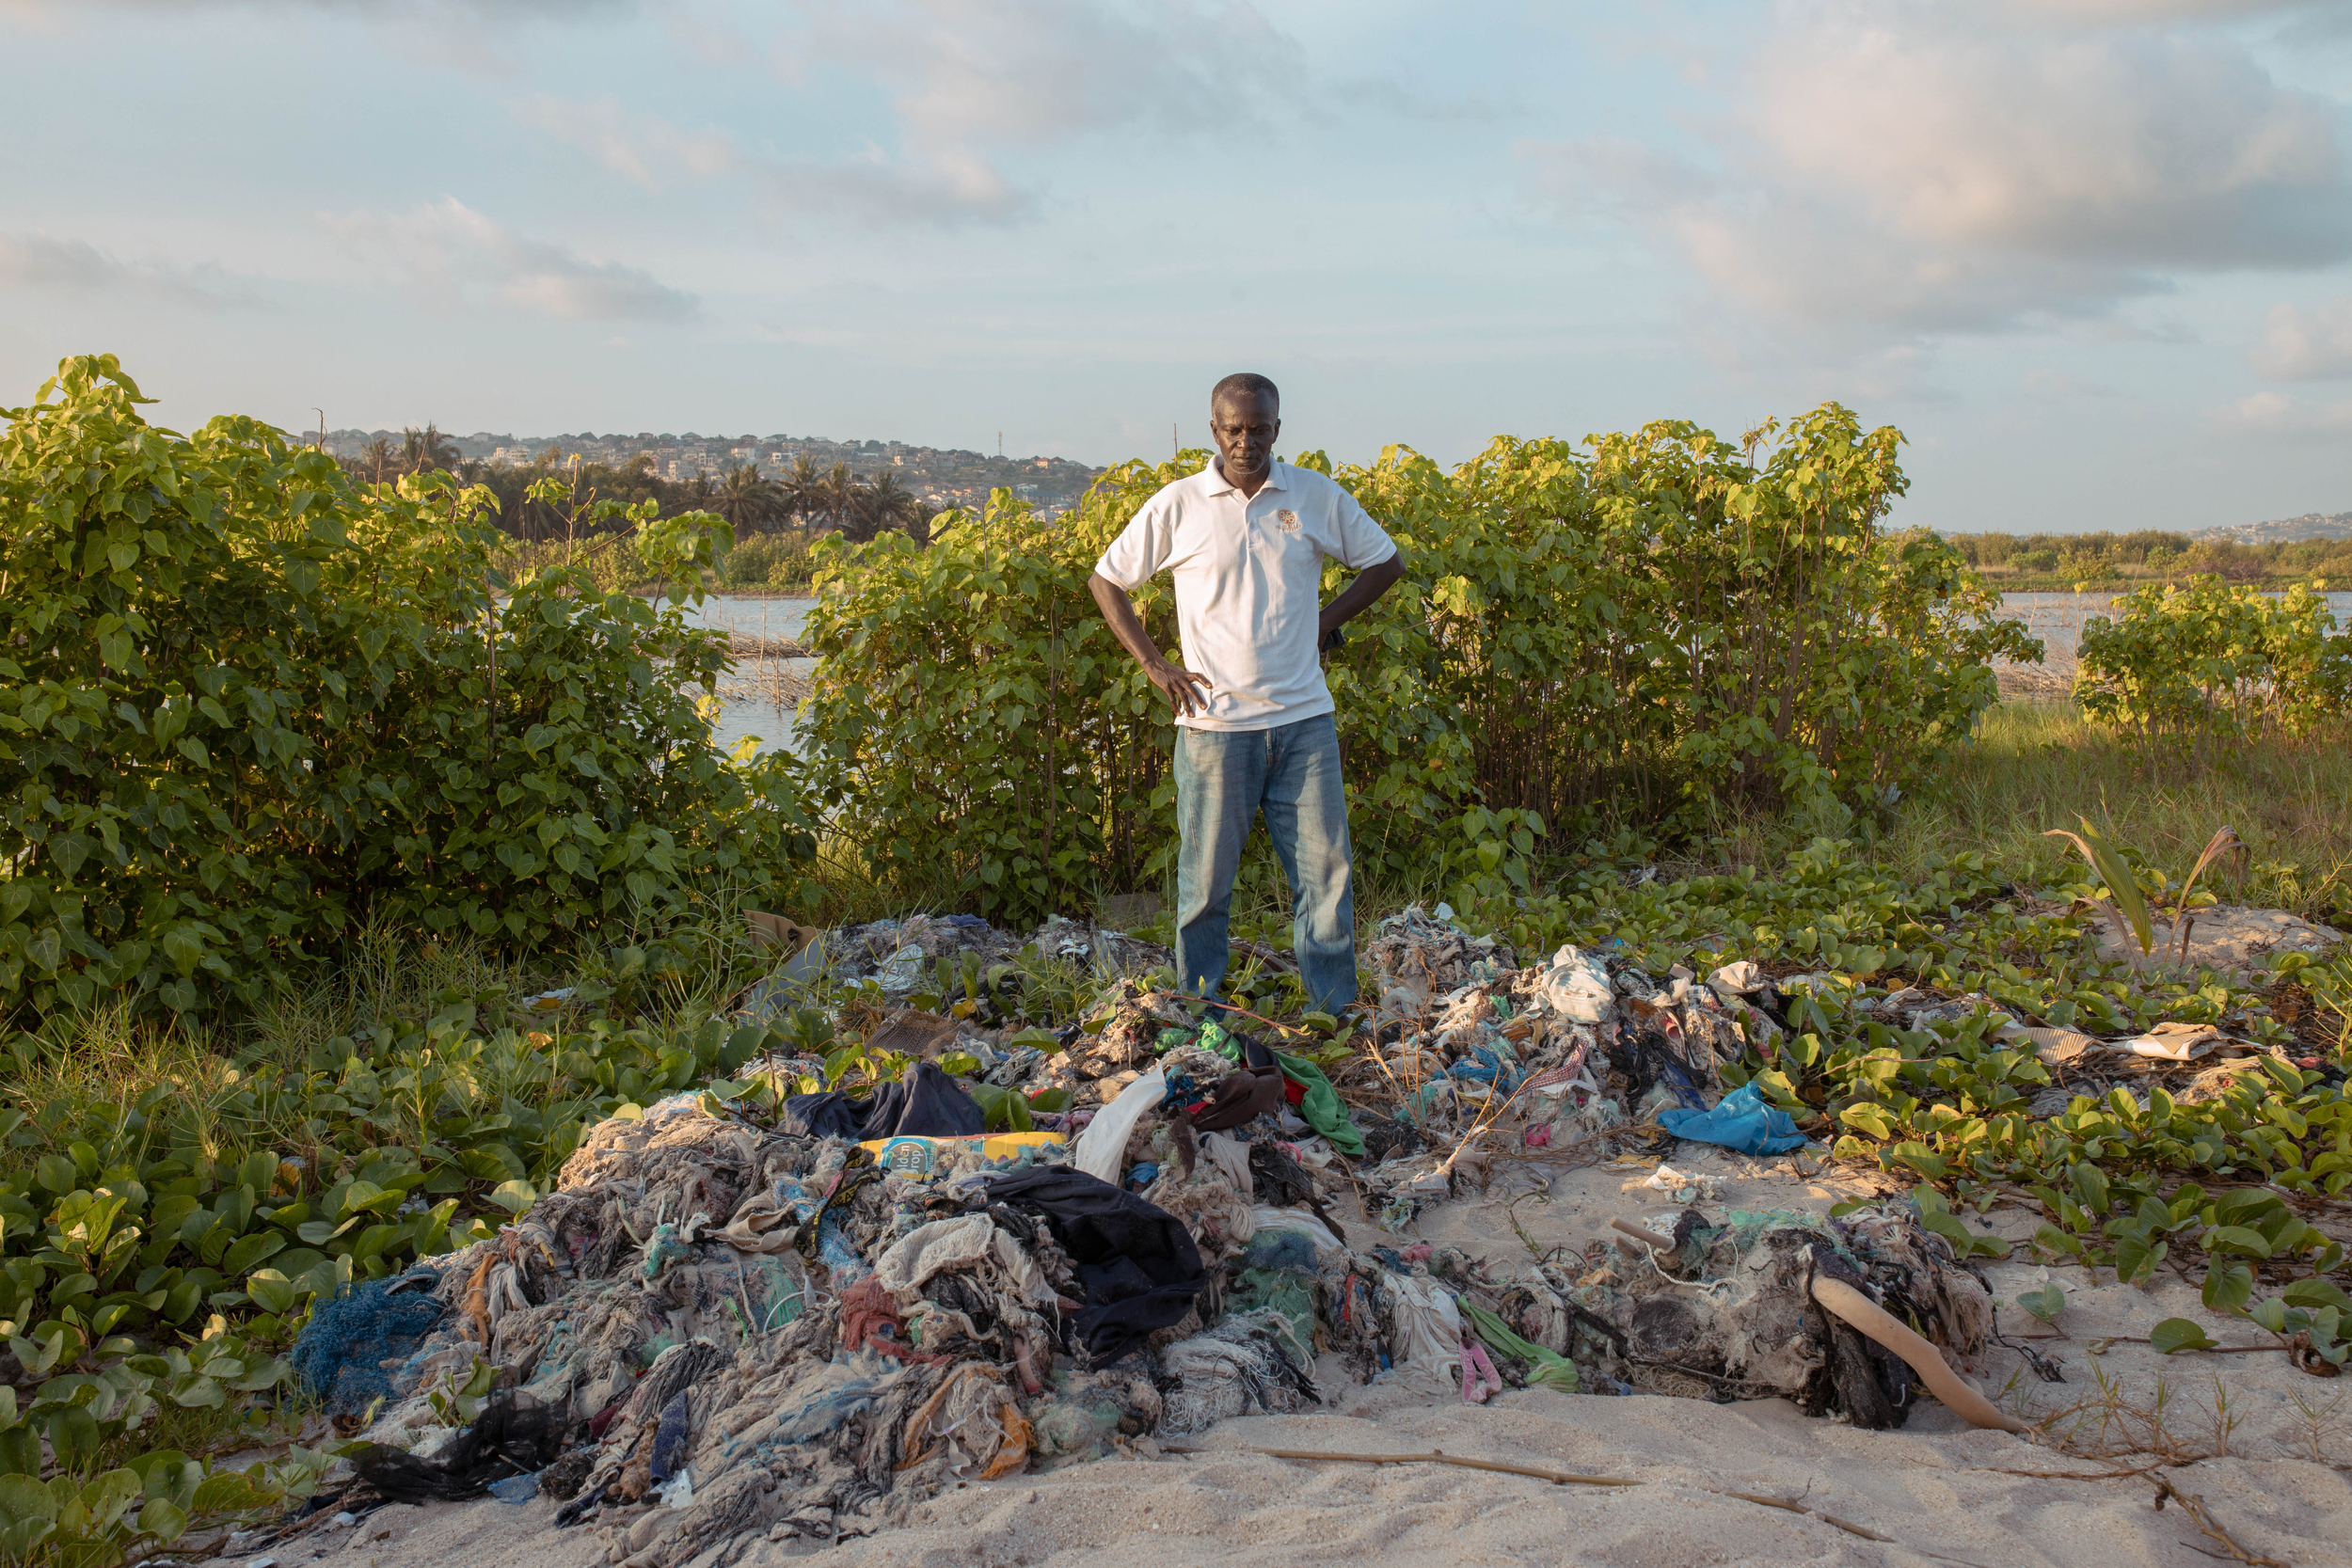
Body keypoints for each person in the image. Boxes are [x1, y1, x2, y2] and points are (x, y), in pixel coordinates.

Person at [1089, 372, 1405, 1018]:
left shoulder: (1311, 496)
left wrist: (1323, 622)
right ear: (1214, 430)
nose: (1245, 442)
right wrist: (1155, 664)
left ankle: (1331, 1011)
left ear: (1277, 430)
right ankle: (1200, 1013)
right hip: (1213, 728)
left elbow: (1385, 560)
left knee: (1325, 878)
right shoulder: (1179, 504)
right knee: (1204, 886)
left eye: (1259, 429)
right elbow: (1106, 579)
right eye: (1233, 429)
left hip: (1304, 723)